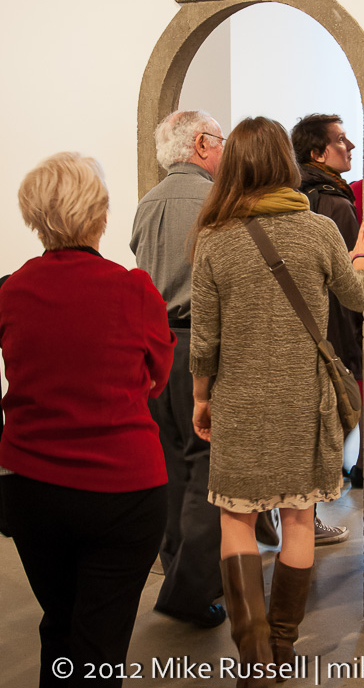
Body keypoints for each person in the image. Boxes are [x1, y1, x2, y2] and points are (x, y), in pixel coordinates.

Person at [189, 117, 364, 683]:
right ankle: (281, 644)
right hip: (306, 401)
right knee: (299, 519)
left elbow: (205, 340)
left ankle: (255, 661)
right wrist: (362, 256)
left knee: (237, 521)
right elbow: (359, 297)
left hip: (238, 402)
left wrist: (202, 399)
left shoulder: (214, 238)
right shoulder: (318, 231)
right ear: (284, 162)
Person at [0, 152, 174, 688]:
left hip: (30, 485)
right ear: (101, 213)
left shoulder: (12, 290)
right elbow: (157, 379)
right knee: (99, 644)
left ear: (34, 216)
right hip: (121, 491)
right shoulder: (133, 288)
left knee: (60, 624)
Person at [130, 109, 227, 627]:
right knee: (208, 467)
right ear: (202, 144)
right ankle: (190, 592)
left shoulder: (147, 202)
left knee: (169, 466)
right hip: (199, 349)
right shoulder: (216, 202)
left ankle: (175, 572)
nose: (225, 149)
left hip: (153, 348)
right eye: (222, 139)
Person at [291, 114, 364, 489]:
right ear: (317, 154)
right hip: (334, 330)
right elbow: (350, 285)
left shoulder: (295, 196)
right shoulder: (336, 204)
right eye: (340, 139)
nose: (350, 146)